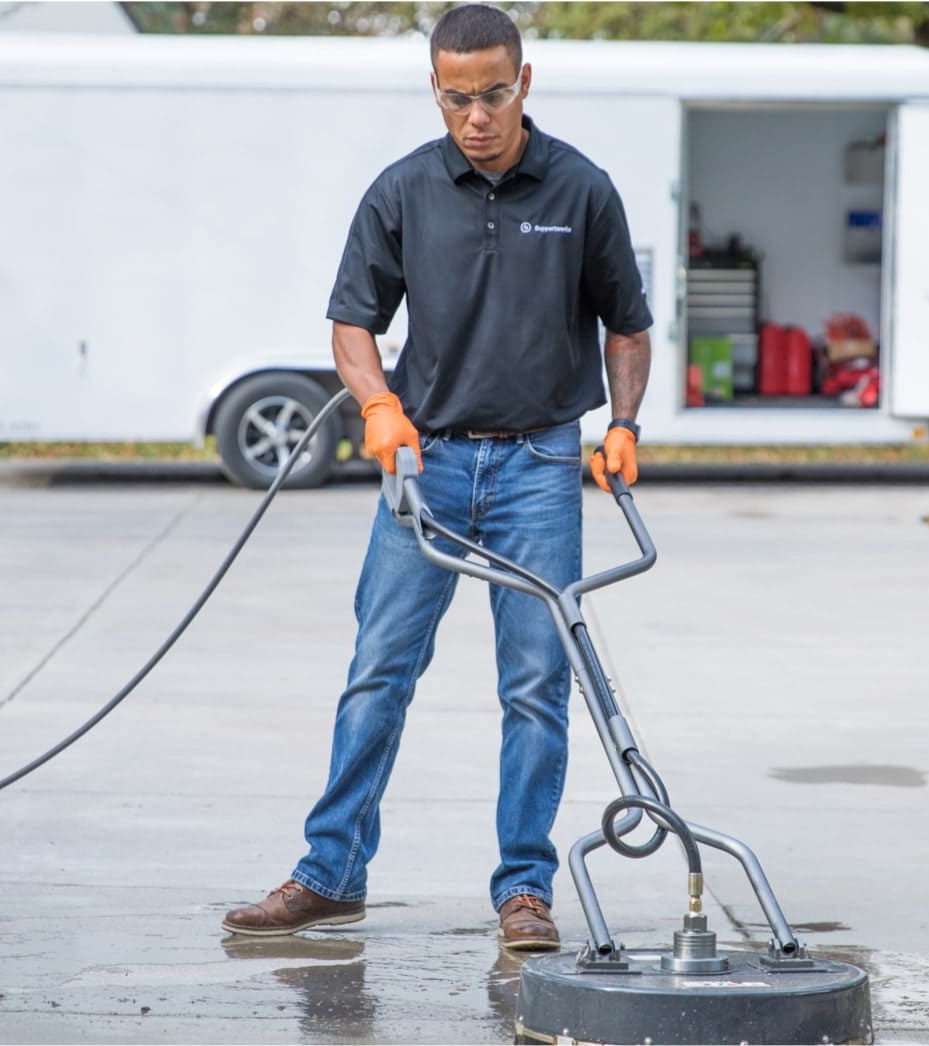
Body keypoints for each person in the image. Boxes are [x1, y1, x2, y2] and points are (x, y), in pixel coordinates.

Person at [221, 3, 653, 952]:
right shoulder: (404, 191)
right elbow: (351, 322)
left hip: (542, 463)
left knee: (536, 684)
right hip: (429, 461)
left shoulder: (582, 190)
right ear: (436, 91)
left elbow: (627, 323)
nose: (477, 117)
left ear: (524, 83)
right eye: (457, 98)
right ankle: (331, 872)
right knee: (379, 671)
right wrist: (378, 403)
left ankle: (525, 892)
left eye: (494, 94)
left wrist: (621, 425)